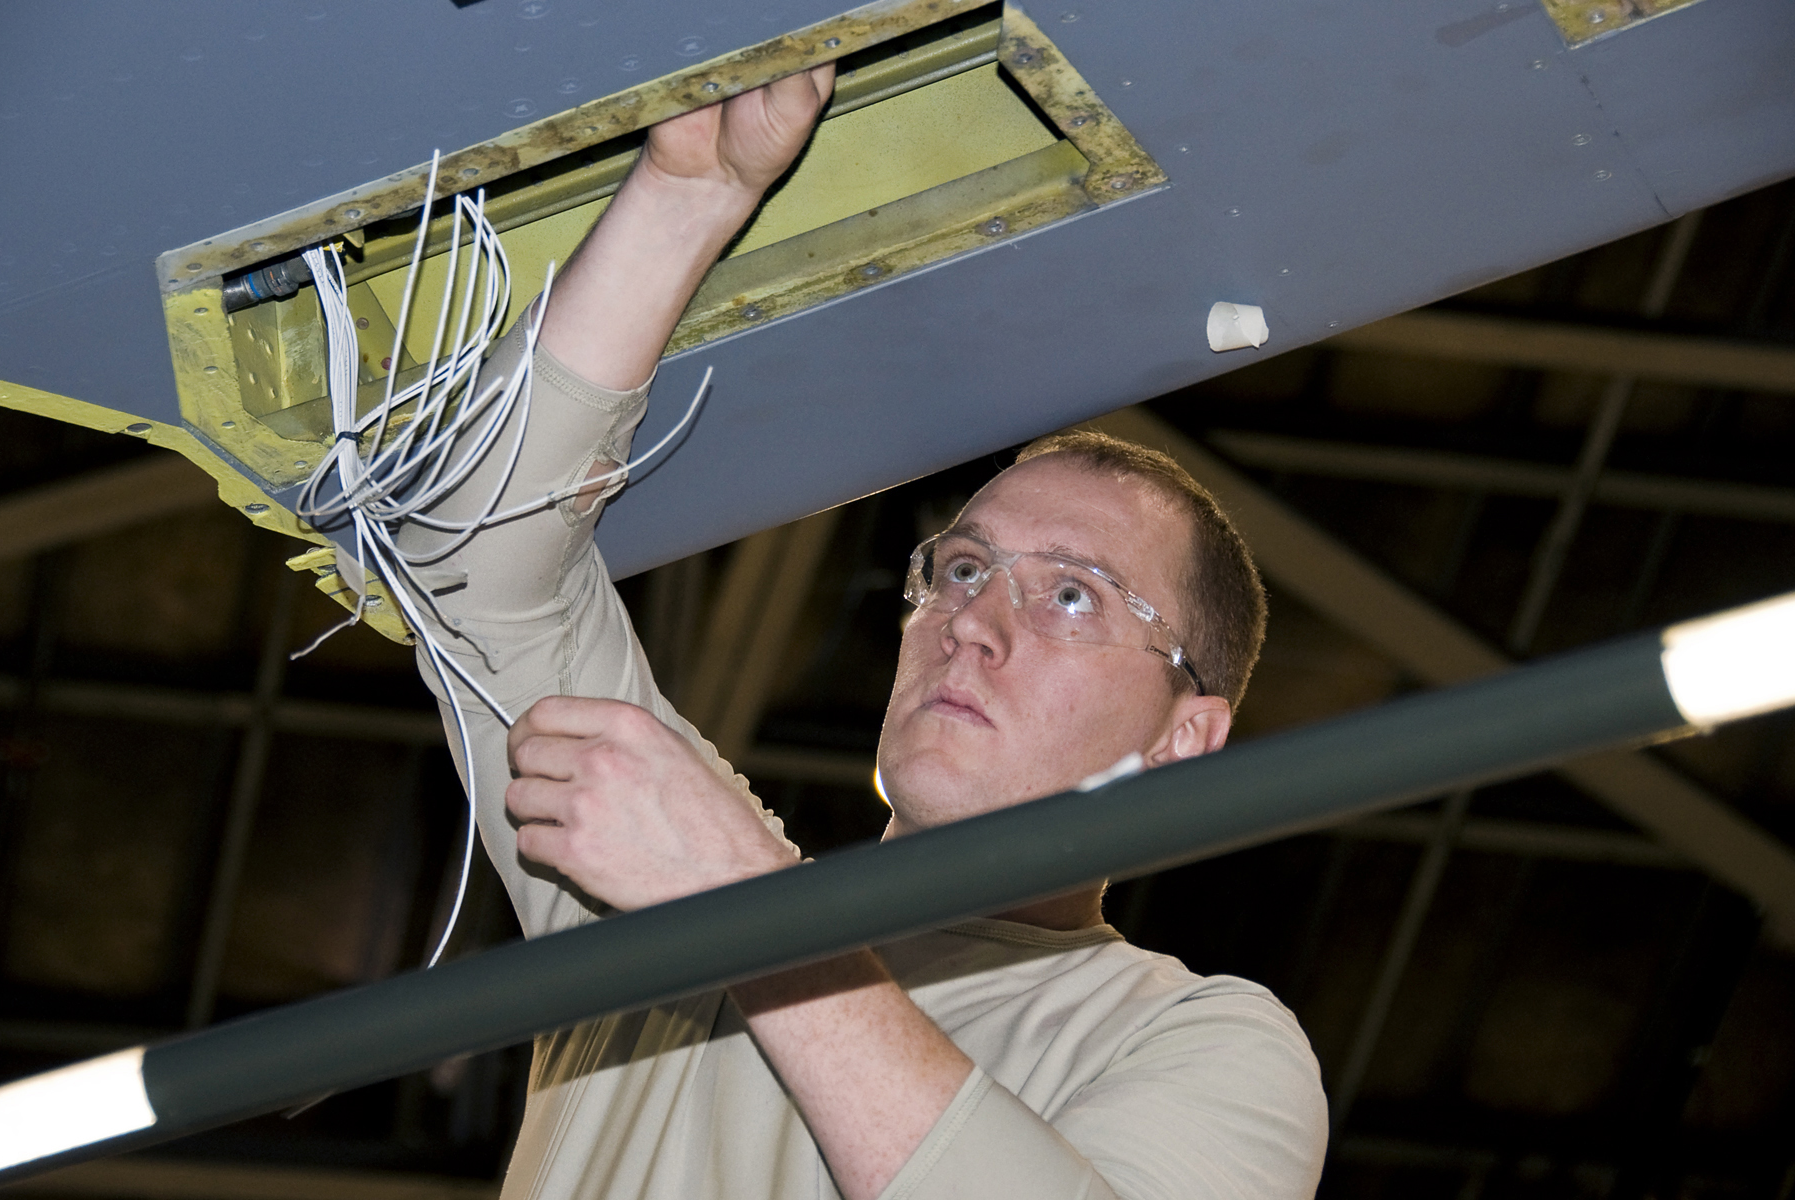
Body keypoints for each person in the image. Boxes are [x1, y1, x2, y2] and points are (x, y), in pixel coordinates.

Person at [399, 62, 1327, 1200]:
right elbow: (474, 564)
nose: (974, 621)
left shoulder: (1195, 1040)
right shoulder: (653, 913)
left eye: (1074, 595)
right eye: (965, 568)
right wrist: (687, 196)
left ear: (1184, 740)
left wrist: (737, 904)